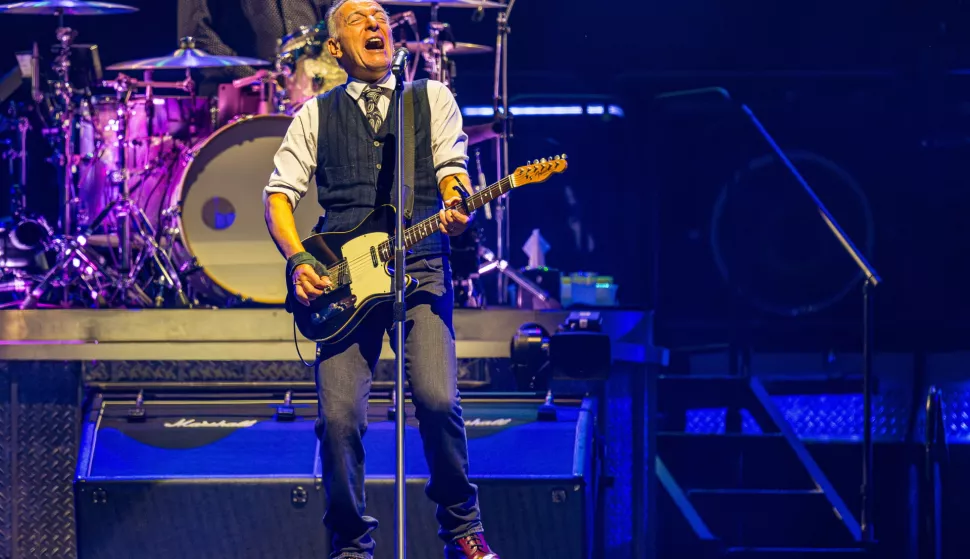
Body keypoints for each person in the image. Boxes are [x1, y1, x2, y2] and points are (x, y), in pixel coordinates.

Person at [262, 1, 502, 558]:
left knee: (439, 401)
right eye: (357, 19)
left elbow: (452, 169)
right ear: (334, 47)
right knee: (339, 421)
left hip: (417, 268)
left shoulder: (430, 97)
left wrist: (455, 201)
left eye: (380, 17)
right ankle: (350, 546)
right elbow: (278, 197)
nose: (376, 23)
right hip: (342, 279)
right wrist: (300, 261)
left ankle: (462, 527)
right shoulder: (314, 114)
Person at [177, 0, 333, 95]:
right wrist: (260, 79)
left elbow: (335, 21)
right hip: (240, 100)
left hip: (313, 91)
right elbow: (196, 37)